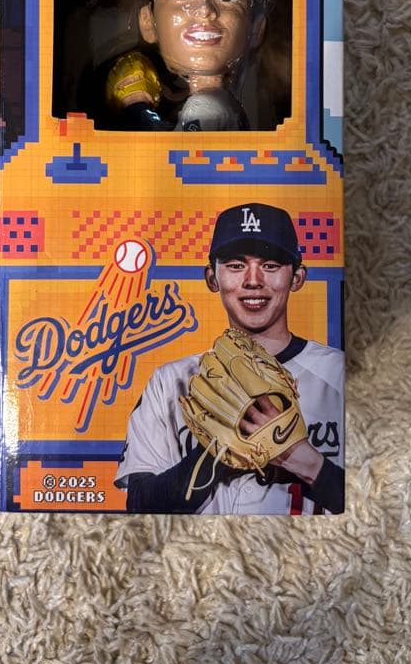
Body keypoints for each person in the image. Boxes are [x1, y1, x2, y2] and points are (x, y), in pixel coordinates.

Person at [115, 203, 345, 514]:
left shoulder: (341, 373)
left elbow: (378, 500)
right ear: (212, 278)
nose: (253, 280)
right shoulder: (170, 381)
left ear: (297, 278)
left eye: (270, 265)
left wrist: (304, 460)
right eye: (236, 265)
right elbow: (140, 504)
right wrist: (220, 445)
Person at [105, 0, 266, 131]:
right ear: (148, 22)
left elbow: (173, 147)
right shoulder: (214, 106)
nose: (205, 10)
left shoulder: (206, 107)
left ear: (255, 30)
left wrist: (136, 105)